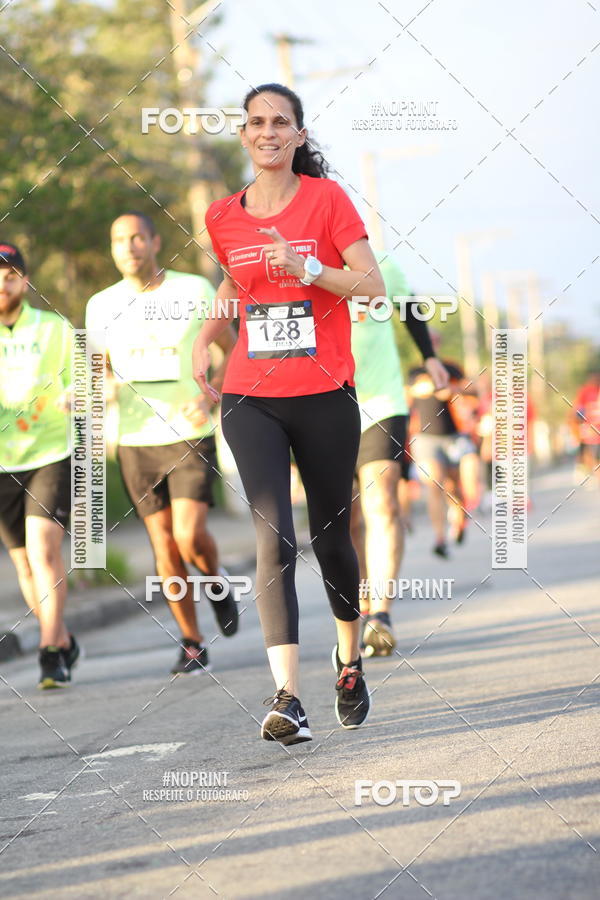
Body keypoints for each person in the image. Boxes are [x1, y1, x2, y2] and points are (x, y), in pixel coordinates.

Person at [193, 83, 386, 744]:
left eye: (281, 122)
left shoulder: (327, 200)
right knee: (272, 534)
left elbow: (372, 287)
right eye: (256, 122)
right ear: (244, 134)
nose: (268, 132)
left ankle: (349, 660)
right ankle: (288, 697)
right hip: (252, 395)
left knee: (331, 538)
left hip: (326, 392)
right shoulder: (223, 214)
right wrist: (206, 337)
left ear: (299, 135)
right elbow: (233, 283)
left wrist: (308, 266)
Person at [85, 213, 238, 675]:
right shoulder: (100, 305)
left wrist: (210, 396)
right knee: (165, 546)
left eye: (137, 237)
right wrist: (99, 389)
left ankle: (215, 579)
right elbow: (95, 371)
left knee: (190, 537)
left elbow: (232, 350)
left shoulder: (194, 289)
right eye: (119, 239)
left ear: (154, 242)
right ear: (112, 249)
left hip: (188, 433)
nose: (129, 246)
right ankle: (192, 641)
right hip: (135, 440)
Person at [350, 259, 448, 656]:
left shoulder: (382, 266)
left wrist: (429, 356)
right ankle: (361, 606)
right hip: (324, 408)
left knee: (383, 502)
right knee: (345, 519)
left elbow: (409, 308)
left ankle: (381, 614)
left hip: (382, 402)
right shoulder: (301, 265)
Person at [0, 243, 80, 688]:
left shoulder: (54, 328)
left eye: (10, 276)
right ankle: (63, 638)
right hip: (3, 462)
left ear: (25, 282)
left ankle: (50, 652)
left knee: (43, 551)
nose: (2, 284)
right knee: (24, 566)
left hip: (51, 454)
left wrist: (74, 394)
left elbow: (84, 376)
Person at [408, 340, 479, 558]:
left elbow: (473, 390)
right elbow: (411, 391)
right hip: (426, 438)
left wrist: (452, 389)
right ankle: (440, 538)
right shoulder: (415, 371)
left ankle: (460, 517)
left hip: (454, 436)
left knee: (454, 486)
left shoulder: (451, 368)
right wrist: (431, 387)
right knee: (434, 484)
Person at [572, 371, 600, 488]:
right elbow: (578, 409)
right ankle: (592, 474)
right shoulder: (585, 391)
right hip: (589, 428)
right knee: (589, 451)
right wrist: (581, 425)